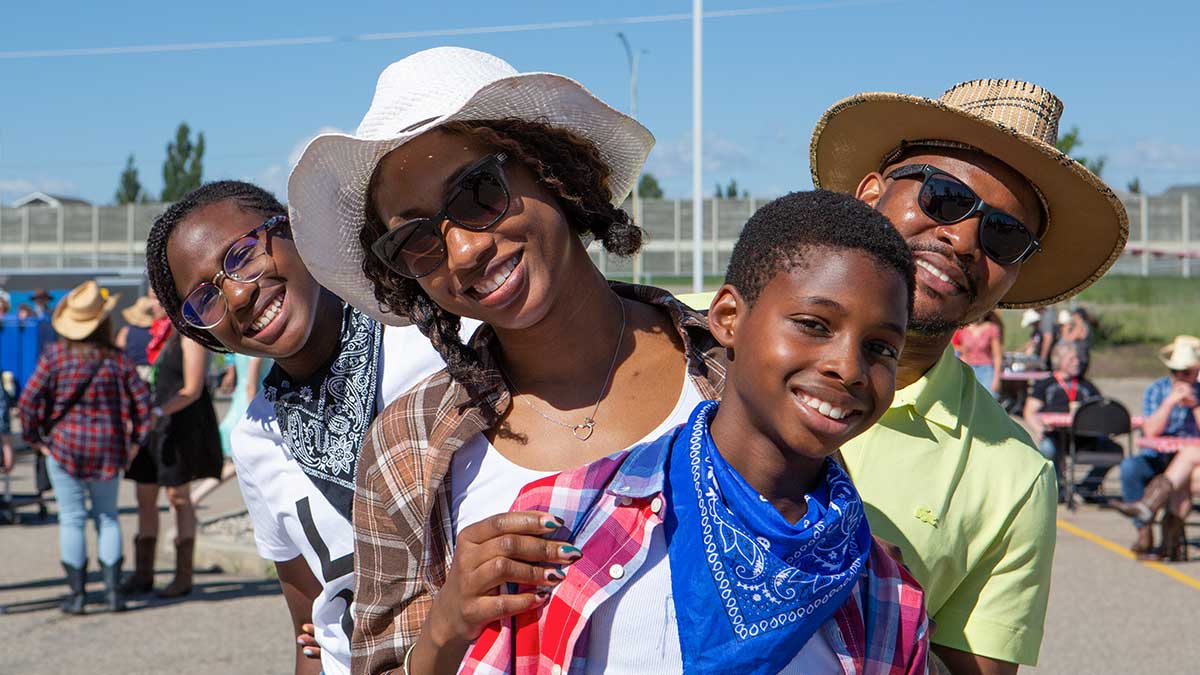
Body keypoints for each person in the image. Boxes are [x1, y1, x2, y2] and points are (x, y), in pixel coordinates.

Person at [284, 47, 730, 674]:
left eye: (476, 193)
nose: (462, 251)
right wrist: (446, 626)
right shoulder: (406, 445)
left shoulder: (730, 367)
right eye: (414, 238)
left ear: (552, 172)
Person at [457, 191, 927, 675]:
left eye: (880, 347)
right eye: (813, 324)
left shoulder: (884, 594)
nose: (848, 368)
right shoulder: (567, 521)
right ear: (728, 319)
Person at [806, 79, 1129, 672]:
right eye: (945, 197)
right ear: (870, 193)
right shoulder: (683, 334)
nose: (962, 238)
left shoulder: (1012, 477)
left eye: (1006, 235)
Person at [145, 180, 461, 675]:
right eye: (205, 298)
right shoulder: (256, 440)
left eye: (243, 255)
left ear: (294, 232)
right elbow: (312, 631)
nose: (239, 294)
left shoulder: (436, 339)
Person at [16, 281, 153, 613]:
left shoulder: (54, 357)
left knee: (72, 519)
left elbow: (28, 401)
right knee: (107, 517)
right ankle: (113, 594)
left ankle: (77, 597)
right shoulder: (117, 360)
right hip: (109, 448)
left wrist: (36, 439)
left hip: (63, 447)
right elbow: (143, 404)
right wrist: (136, 442)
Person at [121, 323, 224, 599]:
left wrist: (159, 411)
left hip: (176, 428)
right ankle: (143, 573)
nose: (153, 301)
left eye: (157, 296)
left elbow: (192, 388)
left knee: (178, 498)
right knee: (144, 496)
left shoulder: (187, 335)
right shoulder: (153, 334)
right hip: (148, 430)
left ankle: (183, 576)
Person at [1115, 335, 1200, 559]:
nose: (1182, 378)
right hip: (1160, 456)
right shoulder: (1157, 390)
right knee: (1130, 468)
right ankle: (1147, 534)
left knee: (1188, 468)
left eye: (1187, 373)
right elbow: (1151, 431)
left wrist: (1195, 406)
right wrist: (1169, 403)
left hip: (1190, 458)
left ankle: (1151, 514)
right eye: (1176, 372)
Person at [1024, 340, 1118, 501]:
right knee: (1048, 449)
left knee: (1115, 450)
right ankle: (1057, 489)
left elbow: (1100, 410)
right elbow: (1029, 411)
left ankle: (1085, 488)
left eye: (1078, 358)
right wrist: (1038, 429)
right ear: (1059, 361)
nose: (1077, 362)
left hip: (1085, 437)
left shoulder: (1087, 386)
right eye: (1071, 359)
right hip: (1057, 436)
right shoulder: (1046, 384)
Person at [190, 352, 271, 507]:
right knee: (235, 466)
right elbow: (251, 387)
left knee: (243, 466)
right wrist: (254, 422)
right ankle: (195, 497)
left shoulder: (241, 350)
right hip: (250, 411)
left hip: (239, 407)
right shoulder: (258, 353)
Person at [955, 313, 1002, 394]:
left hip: (986, 370)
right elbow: (961, 350)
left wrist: (996, 378)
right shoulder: (964, 329)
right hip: (968, 369)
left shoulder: (991, 329)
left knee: (987, 399)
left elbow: (997, 355)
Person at [116, 295, 160, 381]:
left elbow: (119, 349)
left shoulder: (125, 331)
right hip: (152, 371)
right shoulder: (157, 331)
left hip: (132, 371)